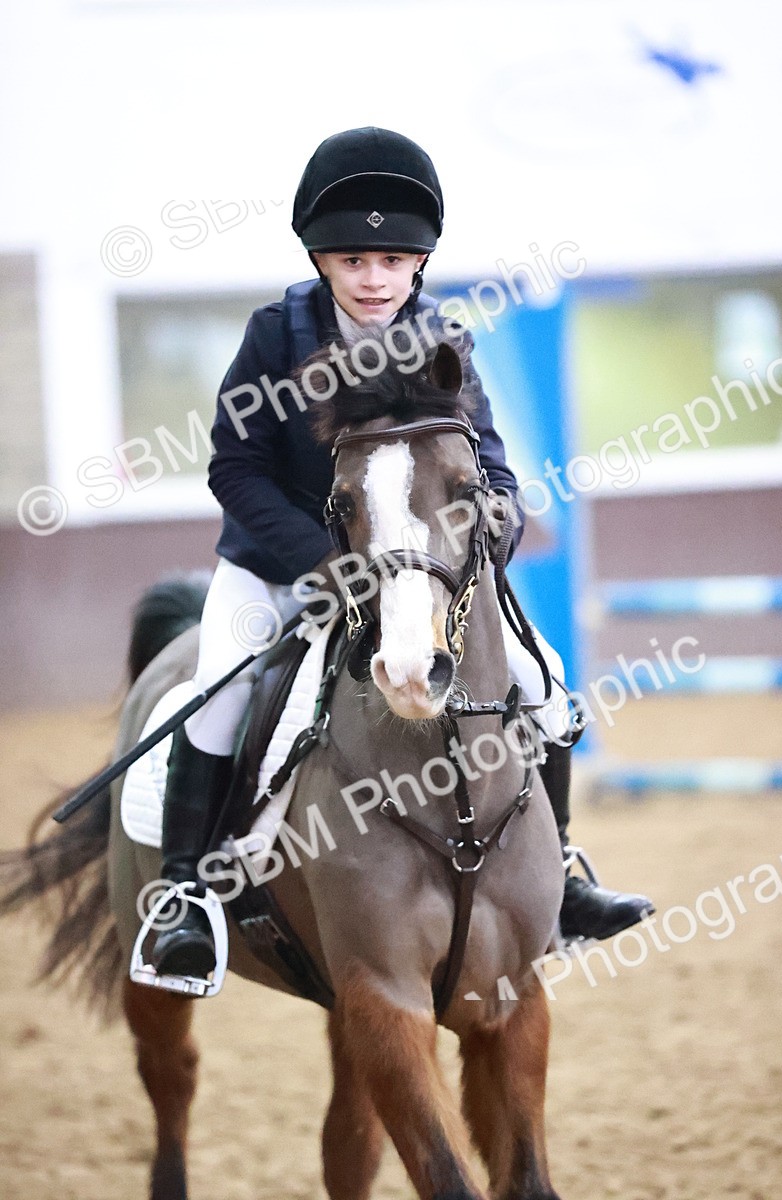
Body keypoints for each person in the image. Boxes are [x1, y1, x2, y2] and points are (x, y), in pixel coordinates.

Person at [148, 127, 654, 984]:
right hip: (280, 570)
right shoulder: (275, 337)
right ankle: (182, 898)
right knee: (215, 699)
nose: (373, 277)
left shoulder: (443, 336)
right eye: (353, 259)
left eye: (392, 258)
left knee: (546, 686)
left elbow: (488, 466)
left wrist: (493, 527)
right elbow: (233, 468)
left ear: (419, 263)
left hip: (414, 574)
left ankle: (561, 872)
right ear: (320, 259)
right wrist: (321, 560)